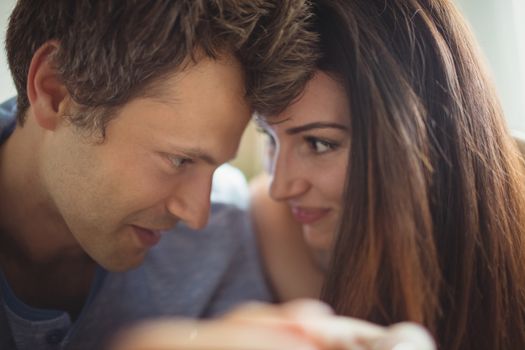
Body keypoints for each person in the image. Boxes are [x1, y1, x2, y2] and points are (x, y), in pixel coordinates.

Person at [0, 1, 318, 349]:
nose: (197, 216)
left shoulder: (222, 234)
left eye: (217, 165)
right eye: (180, 161)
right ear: (55, 91)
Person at [250, 0, 525, 349]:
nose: (281, 187)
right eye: (269, 138)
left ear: (417, 138)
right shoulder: (268, 221)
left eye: (319, 144)